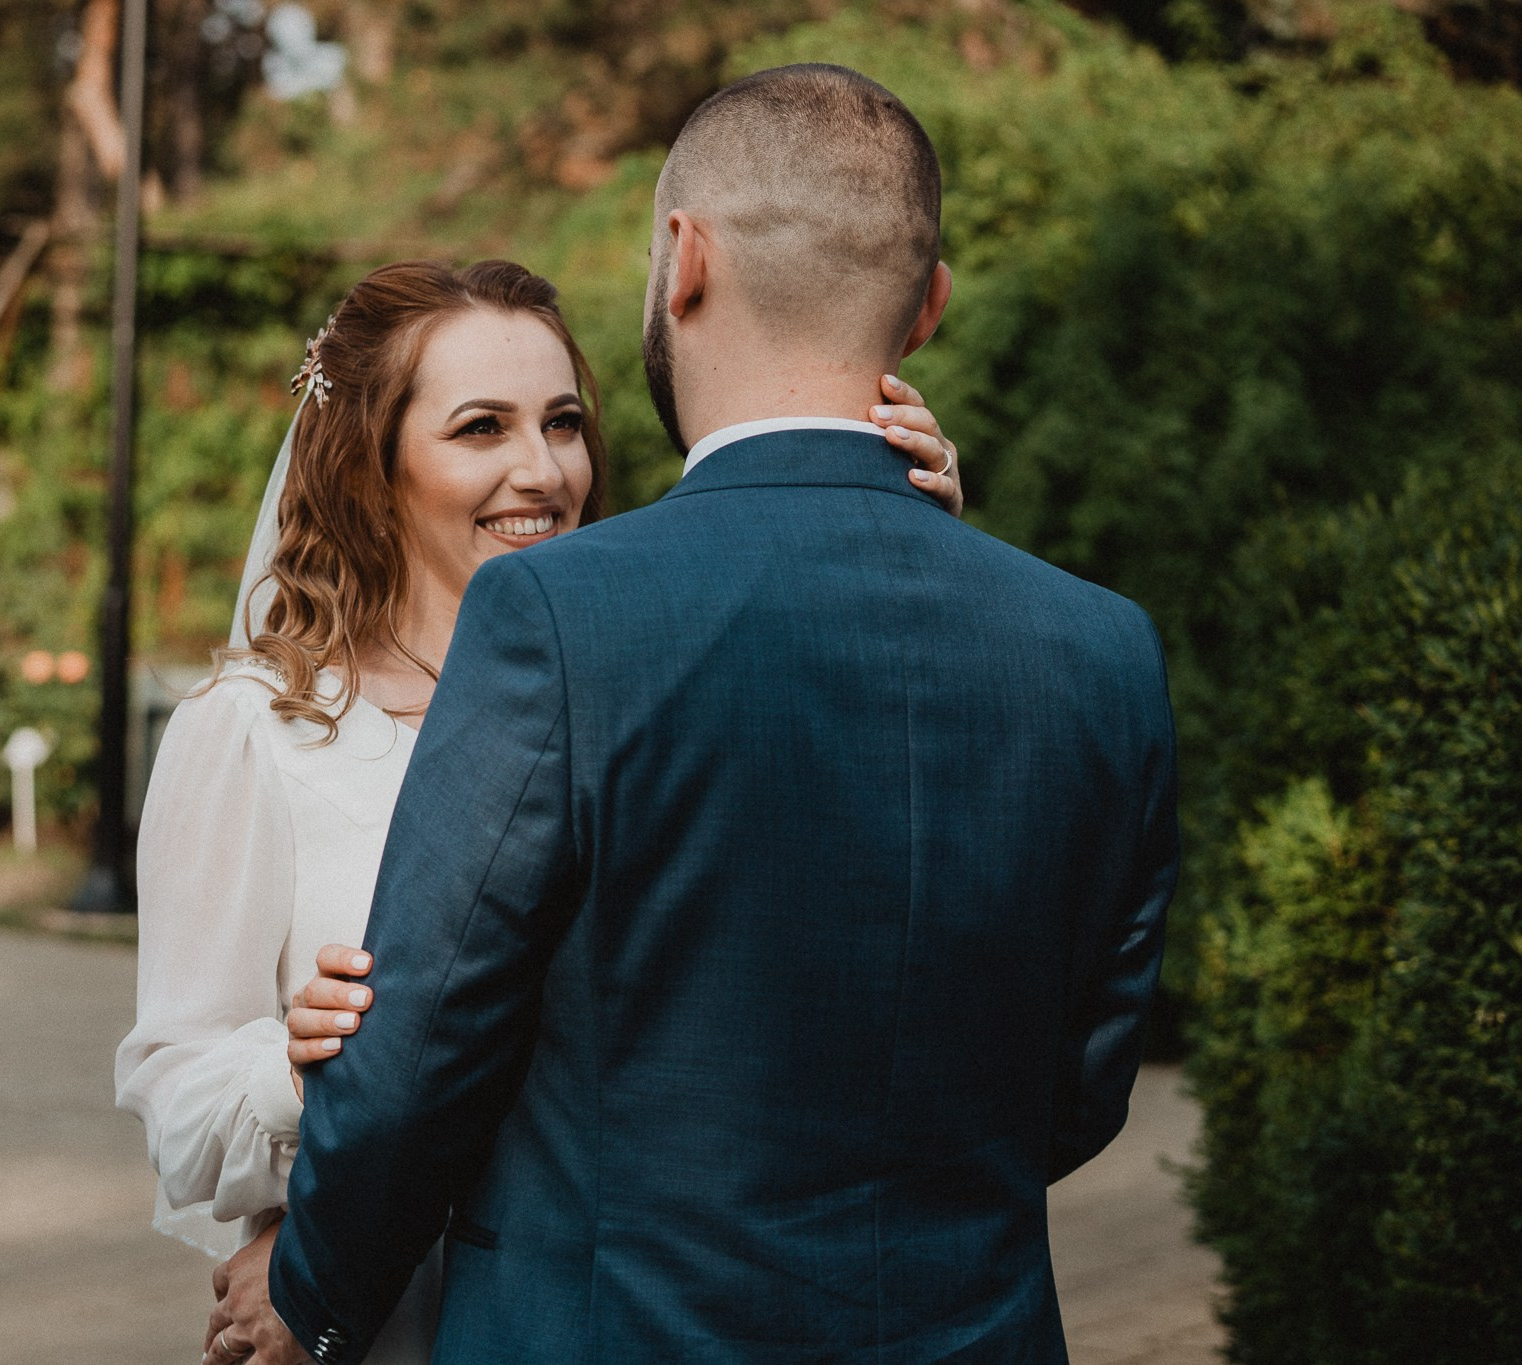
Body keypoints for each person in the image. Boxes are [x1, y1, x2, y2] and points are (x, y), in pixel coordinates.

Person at [215, 63, 1179, 1365]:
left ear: (684, 260)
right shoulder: (1101, 649)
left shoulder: (557, 612)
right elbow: (1079, 1088)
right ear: (930, 306)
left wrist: (313, 1297)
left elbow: (421, 1054)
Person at [113, 259, 967, 1364]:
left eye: (563, 423)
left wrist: (907, 543)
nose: (542, 471)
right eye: (481, 428)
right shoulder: (256, 731)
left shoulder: (667, 684)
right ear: (370, 462)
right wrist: (304, 1072)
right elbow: (175, 1090)